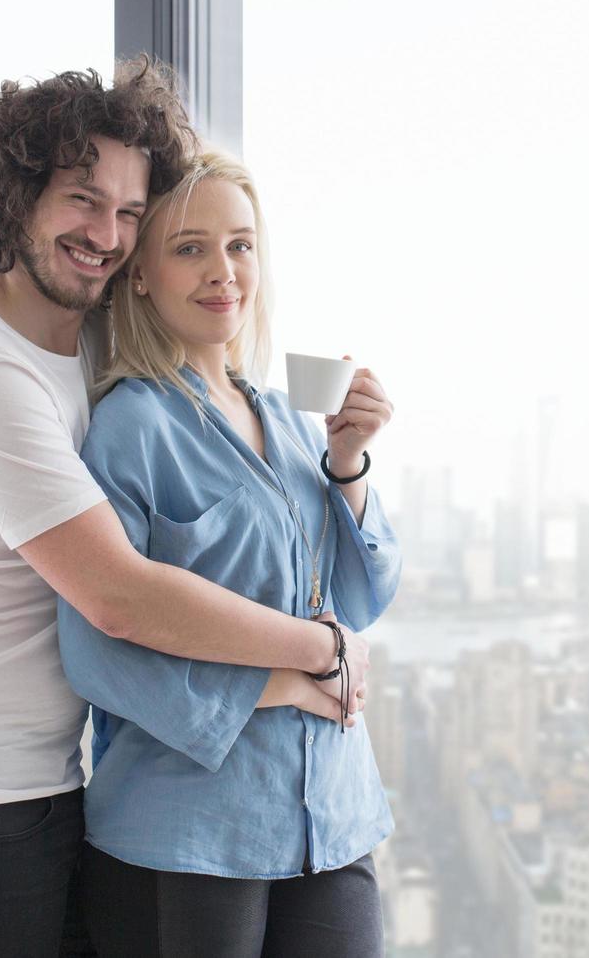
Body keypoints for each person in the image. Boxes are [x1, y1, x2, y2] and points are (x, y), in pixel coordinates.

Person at [0, 60, 368, 958]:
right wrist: (323, 649)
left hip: (39, 791)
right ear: (14, 199)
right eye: (83, 199)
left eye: (130, 211)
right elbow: (118, 596)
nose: (108, 233)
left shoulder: (80, 349)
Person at [57, 150, 399, 957]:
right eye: (189, 248)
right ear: (139, 274)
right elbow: (95, 649)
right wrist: (274, 686)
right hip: (186, 833)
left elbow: (359, 599)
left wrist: (345, 463)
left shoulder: (287, 421)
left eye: (240, 245)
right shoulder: (130, 430)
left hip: (334, 812)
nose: (223, 271)